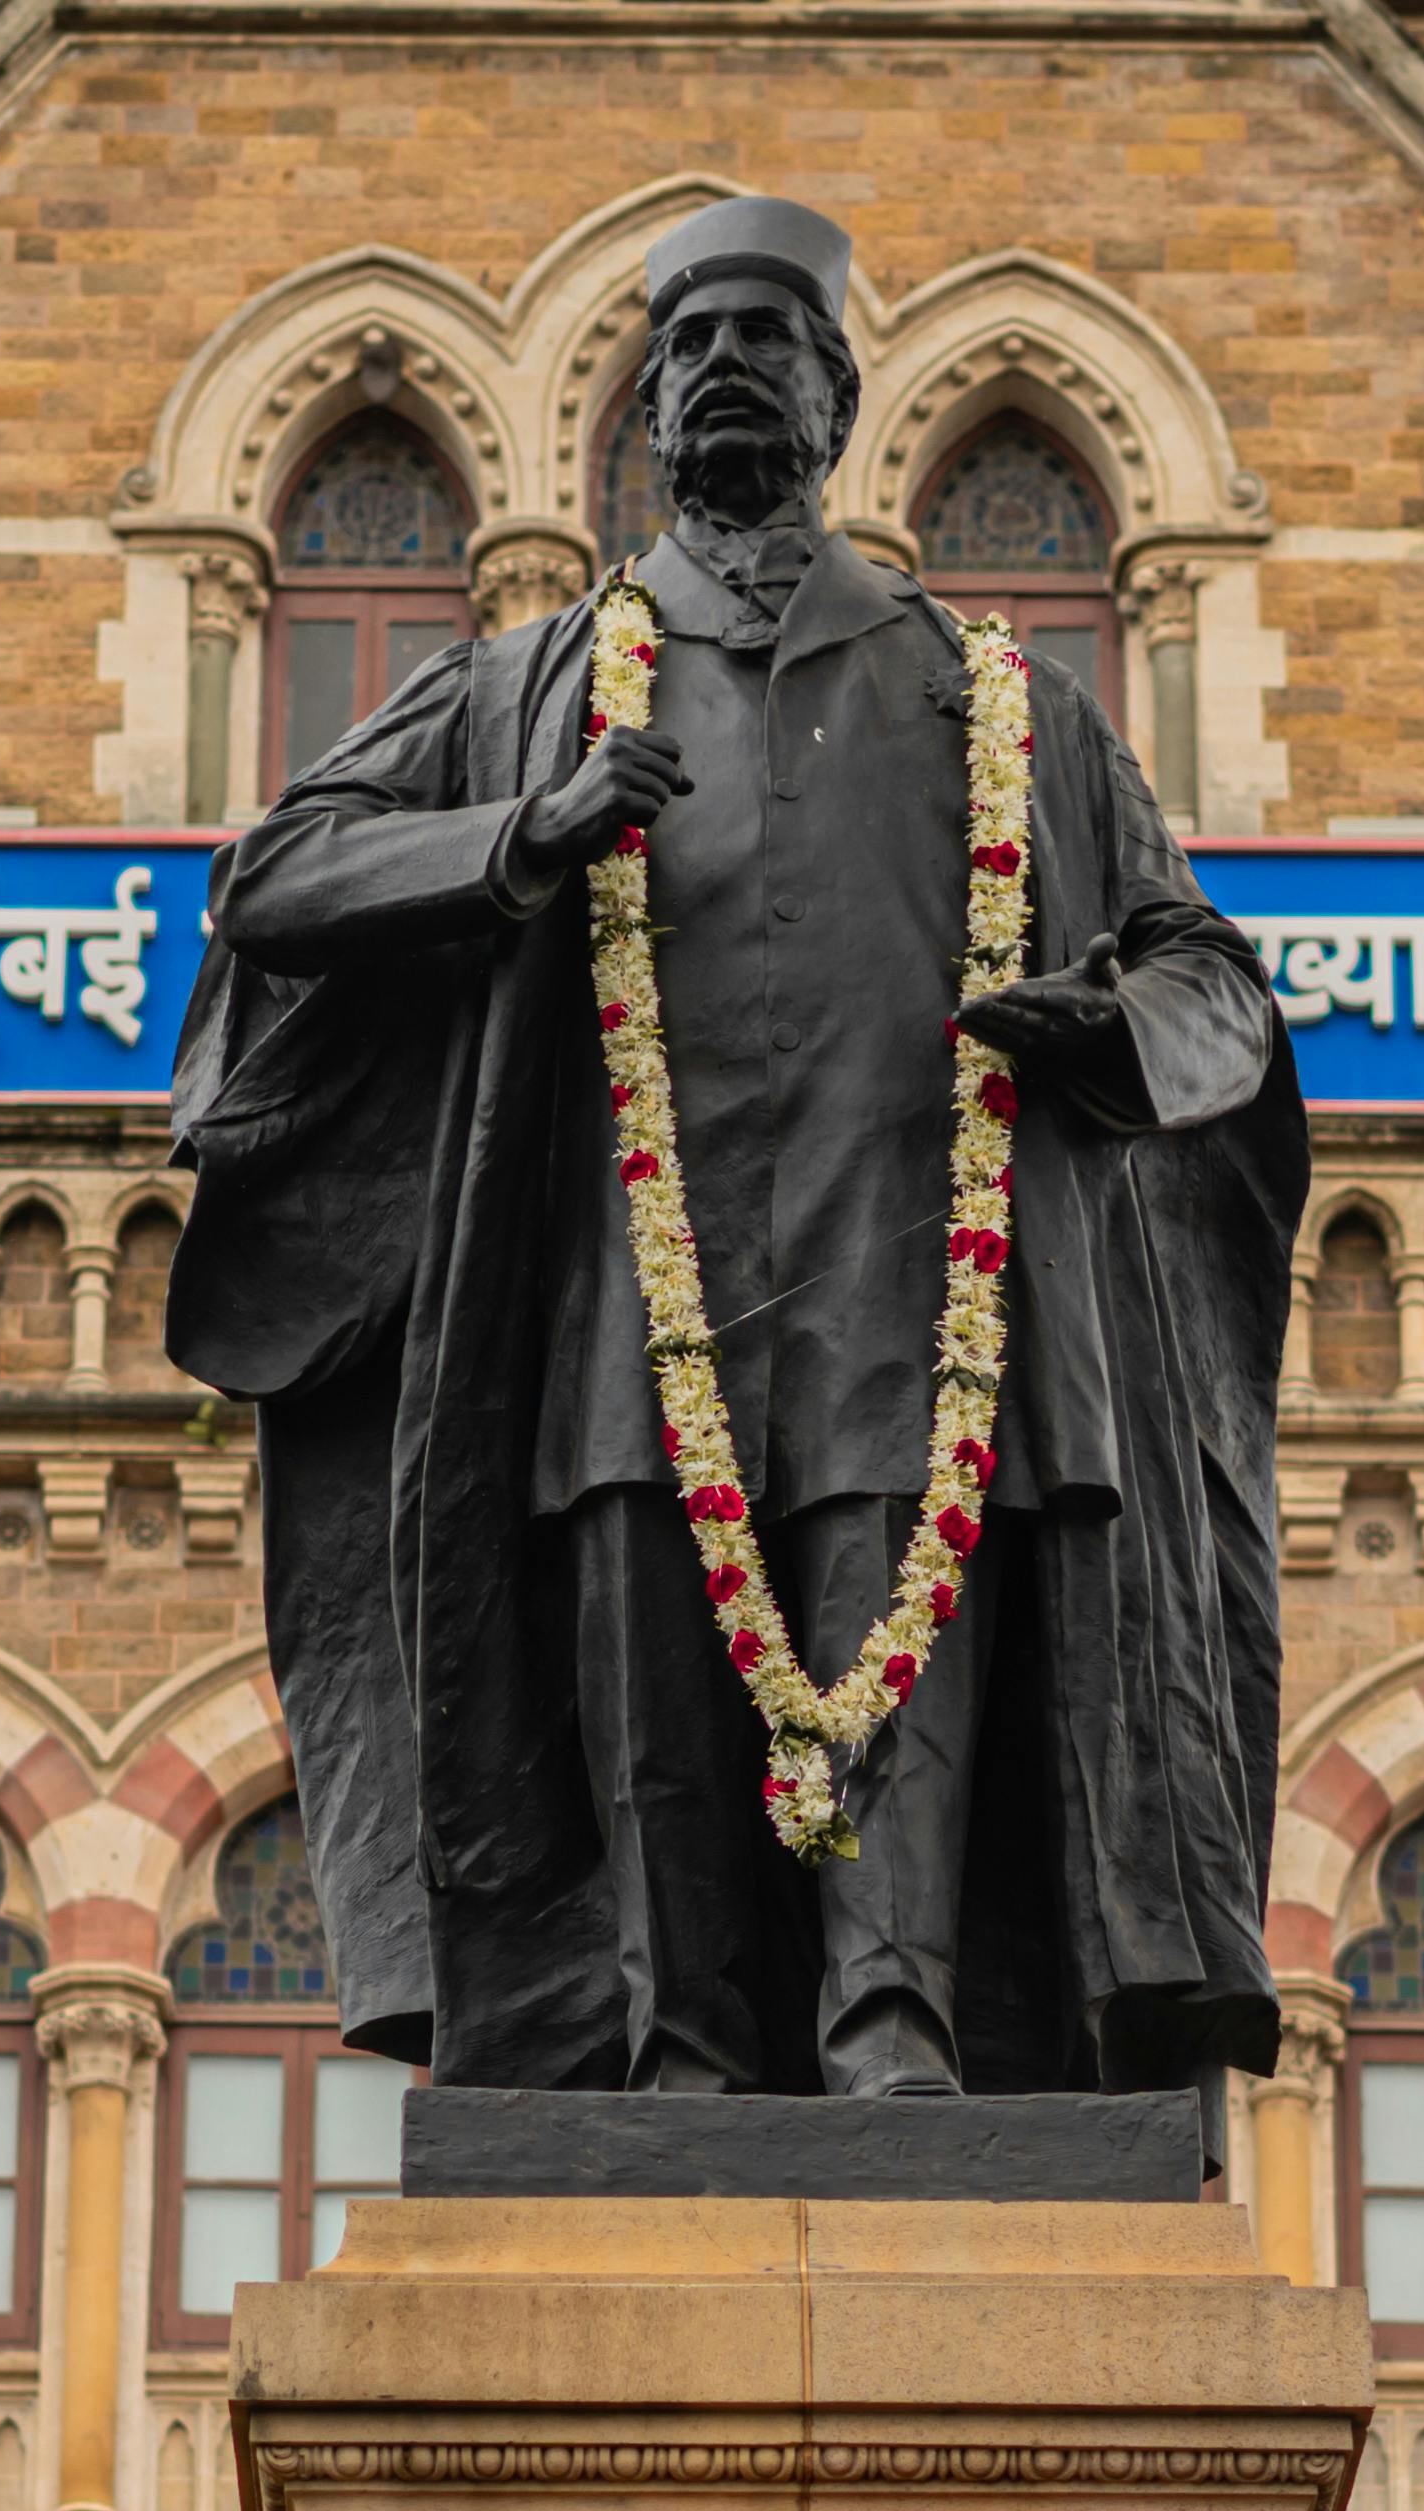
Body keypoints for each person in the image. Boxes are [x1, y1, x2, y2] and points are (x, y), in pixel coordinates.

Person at [168, 187, 1305, 2102]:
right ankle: (674, 2052)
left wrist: (1107, 1031)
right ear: (645, 410)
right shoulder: (534, 688)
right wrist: (518, 838)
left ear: (834, 391)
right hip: (629, 1290)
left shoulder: (1011, 707)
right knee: (644, 1653)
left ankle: (897, 2031)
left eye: (758, 340)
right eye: (685, 348)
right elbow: (269, 875)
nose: (716, 375)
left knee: (912, 1640)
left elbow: (1218, 984)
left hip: (920, 1293)